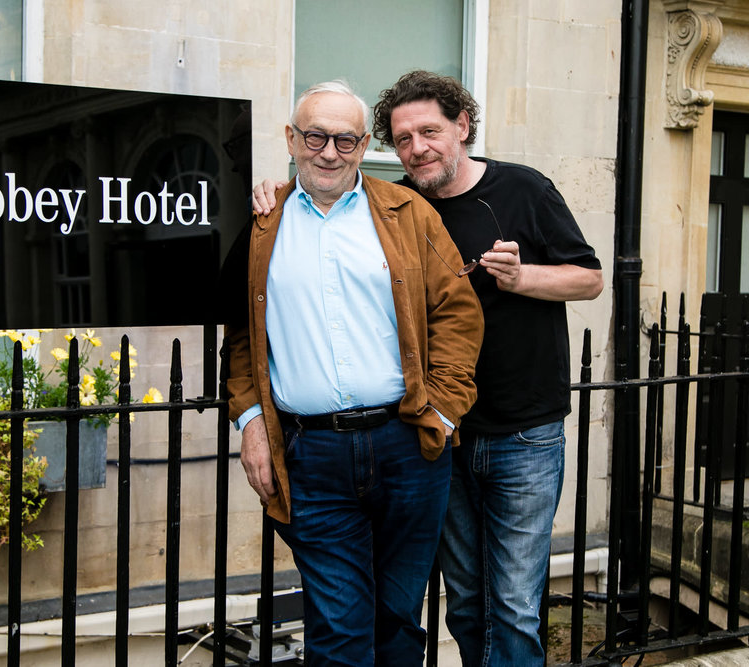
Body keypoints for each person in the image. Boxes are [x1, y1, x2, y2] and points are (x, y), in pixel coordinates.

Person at [253, 70, 604, 666]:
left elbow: (591, 277)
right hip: (438, 440)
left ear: (462, 126)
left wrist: (524, 278)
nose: (417, 147)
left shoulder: (521, 189)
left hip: (520, 430)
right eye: (403, 137)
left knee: (515, 603)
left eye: (430, 131)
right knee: (464, 599)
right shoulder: (399, 208)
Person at [225, 80, 483, 667]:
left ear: (365, 144)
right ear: (290, 140)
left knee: (397, 620)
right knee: (339, 629)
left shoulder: (408, 212)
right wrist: (250, 423)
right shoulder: (261, 224)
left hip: (408, 446)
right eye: (314, 136)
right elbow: (240, 337)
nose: (329, 151)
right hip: (309, 454)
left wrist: (441, 410)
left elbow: (458, 314)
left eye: (345, 139)